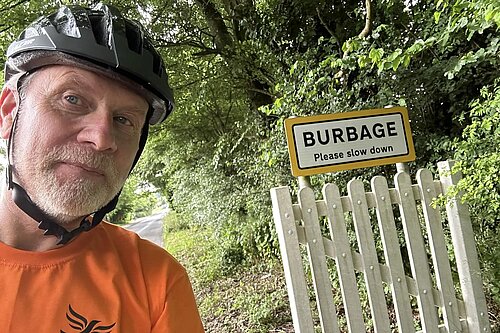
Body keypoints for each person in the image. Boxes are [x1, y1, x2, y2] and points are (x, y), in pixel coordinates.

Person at [0, 3, 204, 332]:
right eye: (72, 99)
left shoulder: (157, 283)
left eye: (123, 120)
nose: (101, 138)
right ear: (10, 112)